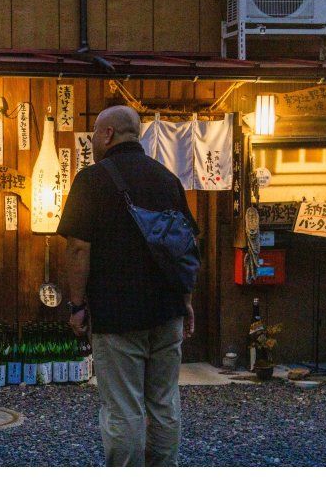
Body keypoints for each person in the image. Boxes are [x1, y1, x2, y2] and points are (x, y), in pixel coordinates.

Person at [57, 104, 198, 467]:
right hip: (167, 311)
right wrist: (186, 300)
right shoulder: (167, 179)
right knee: (164, 402)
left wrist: (76, 305)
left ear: (107, 135)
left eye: (94, 135)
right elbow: (184, 246)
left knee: (123, 407)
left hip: (117, 314)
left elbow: (77, 247)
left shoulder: (92, 180)